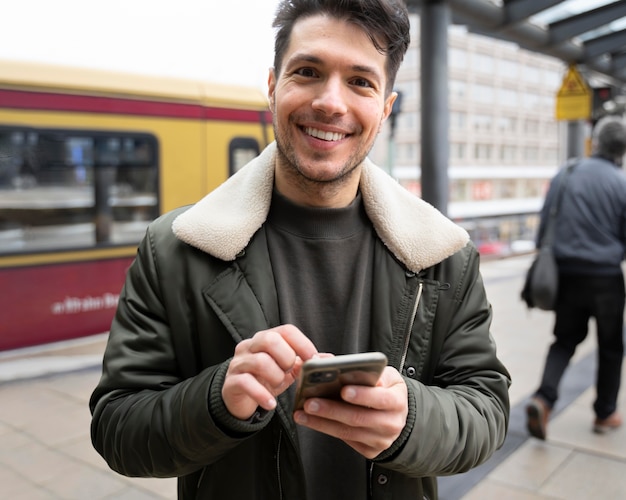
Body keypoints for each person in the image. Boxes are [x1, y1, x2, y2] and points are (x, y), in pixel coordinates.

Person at [89, 1, 511, 498]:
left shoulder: (444, 255)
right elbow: (117, 428)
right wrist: (217, 399)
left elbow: (487, 409)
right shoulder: (174, 247)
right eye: (308, 71)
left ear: (386, 107)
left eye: (361, 82)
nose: (331, 102)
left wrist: (412, 419)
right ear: (272, 86)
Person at [526, 115, 626, 441]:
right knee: (611, 347)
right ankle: (605, 413)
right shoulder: (621, 182)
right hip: (607, 277)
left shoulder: (567, 173)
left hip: (567, 275)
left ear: (595, 142)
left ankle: (544, 399)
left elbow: (545, 224)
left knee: (565, 340)